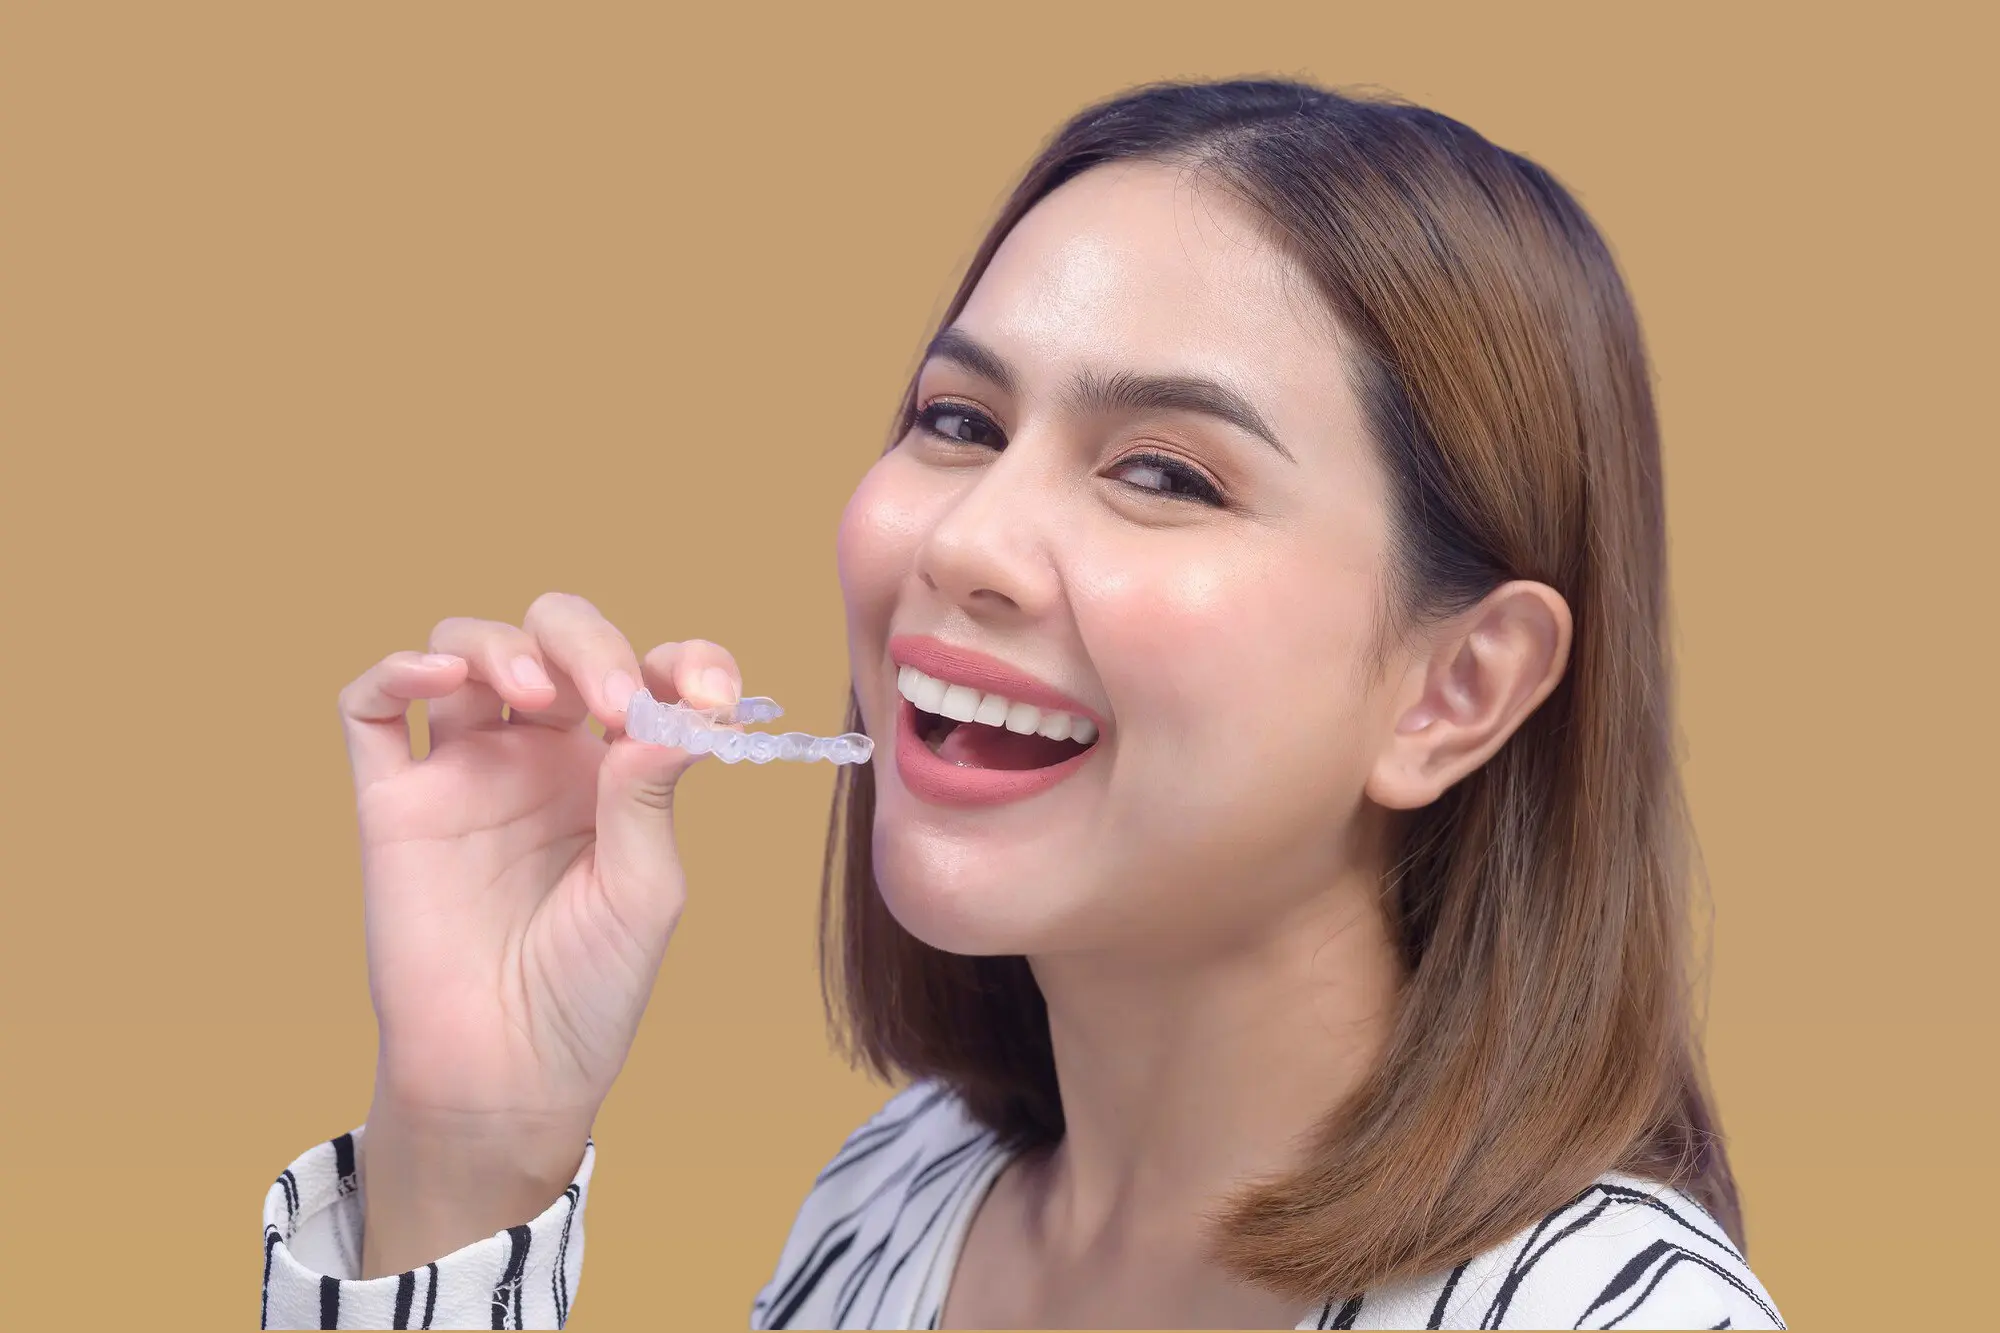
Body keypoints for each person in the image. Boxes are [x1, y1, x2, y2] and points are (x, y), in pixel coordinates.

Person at [259, 78, 1786, 1330]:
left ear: (1456, 689)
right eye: (959, 421)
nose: (966, 540)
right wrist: (468, 1149)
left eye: (1163, 473)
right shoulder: (900, 1198)